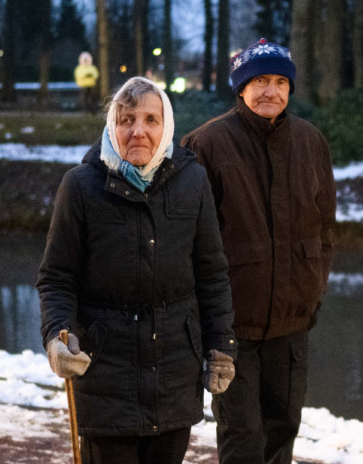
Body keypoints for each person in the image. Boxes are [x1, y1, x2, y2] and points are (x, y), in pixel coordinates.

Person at [38, 76, 237, 464]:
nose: (138, 131)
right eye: (127, 119)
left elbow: (212, 274)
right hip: (104, 375)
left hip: (175, 373)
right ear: (113, 125)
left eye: (150, 119)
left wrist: (222, 347)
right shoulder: (79, 187)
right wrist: (56, 336)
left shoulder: (193, 181)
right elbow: (57, 278)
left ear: (166, 127)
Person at [181, 39, 336, 464]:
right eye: (260, 81)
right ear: (241, 88)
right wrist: (204, 319)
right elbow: (188, 240)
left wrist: (313, 290)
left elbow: (324, 228)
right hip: (233, 326)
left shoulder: (311, 142)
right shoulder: (205, 144)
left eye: (280, 81)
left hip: (292, 321)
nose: (271, 91)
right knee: (243, 436)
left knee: (283, 427)